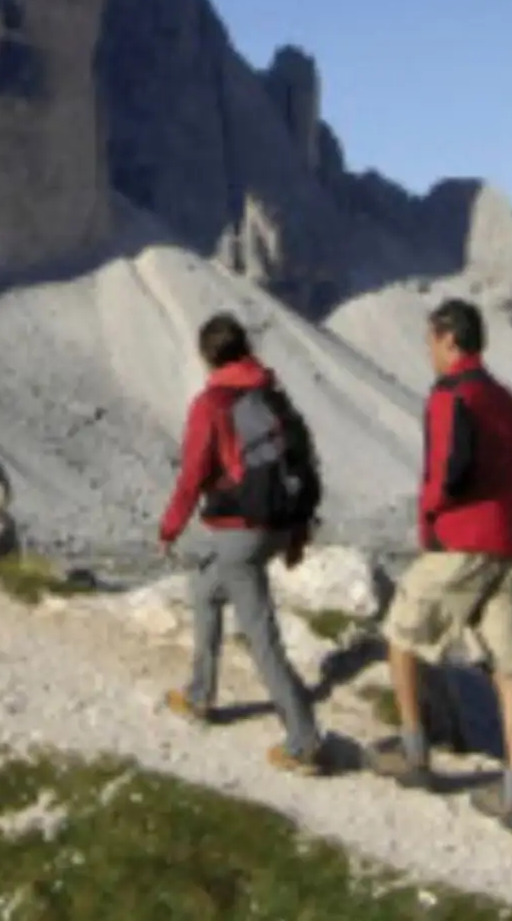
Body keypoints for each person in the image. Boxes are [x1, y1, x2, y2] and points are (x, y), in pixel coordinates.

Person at [365, 297, 512, 833]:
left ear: (450, 340)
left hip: (461, 542)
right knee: (508, 670)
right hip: (511, 544)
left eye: (430, 340)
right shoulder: (504, 398)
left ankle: (414, 751)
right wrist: (505, 505)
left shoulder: (451, 395)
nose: (427, 351)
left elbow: (443, 472)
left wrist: (432, 521)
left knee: (401, 634)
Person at [158, 312, 327, 776]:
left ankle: (303, 739)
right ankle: (199, 693)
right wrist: (298, 531)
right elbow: (299, 460)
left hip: (241, 530)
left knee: (261, 635)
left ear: (207, 356)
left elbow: (193, 474)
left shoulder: (212, 403)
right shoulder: (269, 391)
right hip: (277, 523)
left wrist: (170, 526)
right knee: (204, 590)